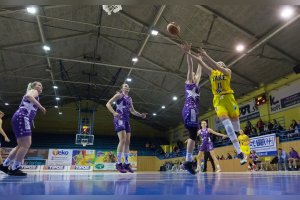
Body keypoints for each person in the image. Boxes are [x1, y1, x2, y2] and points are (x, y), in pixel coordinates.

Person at [188, 48, 247, 165]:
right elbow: (202, 64)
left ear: (224, 66)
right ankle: (240, 153)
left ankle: (237, 142)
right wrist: (192, 55)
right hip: (218, 101)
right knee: (228, 128)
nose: (218, 65)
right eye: (217, 64)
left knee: (236, 129)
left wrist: (207, 55)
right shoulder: (212, 73)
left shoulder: (227, 71)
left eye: (220, 64)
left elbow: (217, 66)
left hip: (230, 100)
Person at [0, 82, 46, 176]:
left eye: (41, 85)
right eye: (39, 85)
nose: (40, 87)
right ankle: (15, 168)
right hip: (22, 117)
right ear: (34, 87)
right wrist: (41, 107)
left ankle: (5, 165)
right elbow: (29, 96)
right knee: (26, 144)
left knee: (20, 145)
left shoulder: (34, 92)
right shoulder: (34, 91)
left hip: (19, 117)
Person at [106, 83, 147, 173]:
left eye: (128, 86)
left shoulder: (130, 98)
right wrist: (114, 113)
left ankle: (126, 164)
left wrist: (141, 115)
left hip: (126, 120)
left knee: (127, 142)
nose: (127, 87)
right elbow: (108, 104)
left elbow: (132, 111)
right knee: (123, 140)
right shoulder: (119, 95)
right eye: (125, 86)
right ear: (122, 88)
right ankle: (119, 163)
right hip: (119, 119)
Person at [179, 43, 202, 175]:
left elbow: (198, 71)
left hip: (193, 111)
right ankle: (187, 162)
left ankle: (187, 162)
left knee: (193, 135)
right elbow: (190, 66)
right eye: (192, 75)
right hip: (190, 110)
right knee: (193, 135)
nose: (193, 75)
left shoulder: (196, 84)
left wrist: (201, 59)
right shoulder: (189, 82)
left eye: (194, 75)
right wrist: (188, 53)